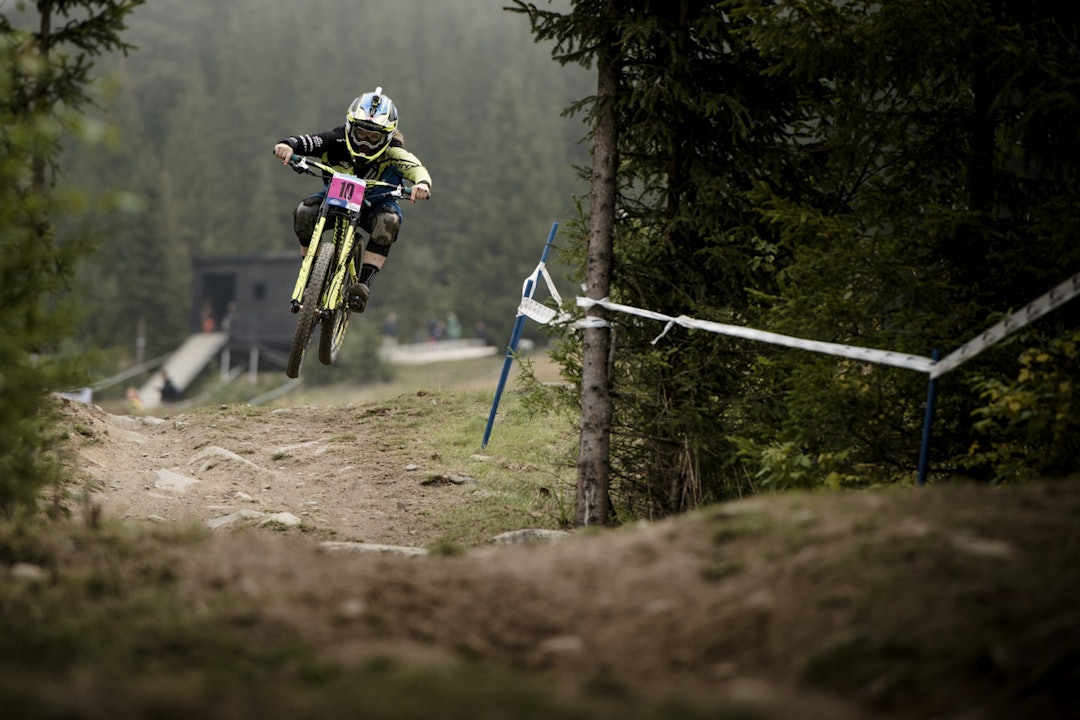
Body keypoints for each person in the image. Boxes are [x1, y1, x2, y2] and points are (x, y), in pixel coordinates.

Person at [273, 87, 432, 313]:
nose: (365, 143)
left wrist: (422, 185)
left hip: (375, 206)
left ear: (386, 137)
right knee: (304, 212)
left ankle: (362, 284)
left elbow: (416, 169)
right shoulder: (335, 140)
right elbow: (308, 141)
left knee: (389, 221)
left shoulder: (394, 154)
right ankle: (311, 275)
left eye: (373, 137)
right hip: (334, 200)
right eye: (360, 134)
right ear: (349, 127)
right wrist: (287, 145)